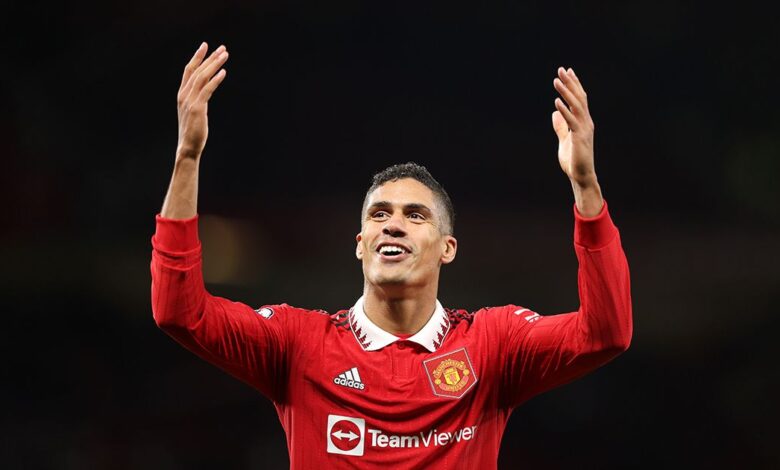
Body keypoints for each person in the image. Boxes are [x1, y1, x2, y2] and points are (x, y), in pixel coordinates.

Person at [151, 42, 632, 469]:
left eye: (416, 215)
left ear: (448, 249)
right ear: (360, 245)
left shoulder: (492, 347)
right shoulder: (299, 345)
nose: (394, 223)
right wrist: (187, 158)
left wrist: (585, 186)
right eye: (379, 214)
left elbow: (607, 333)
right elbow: (179, 312)